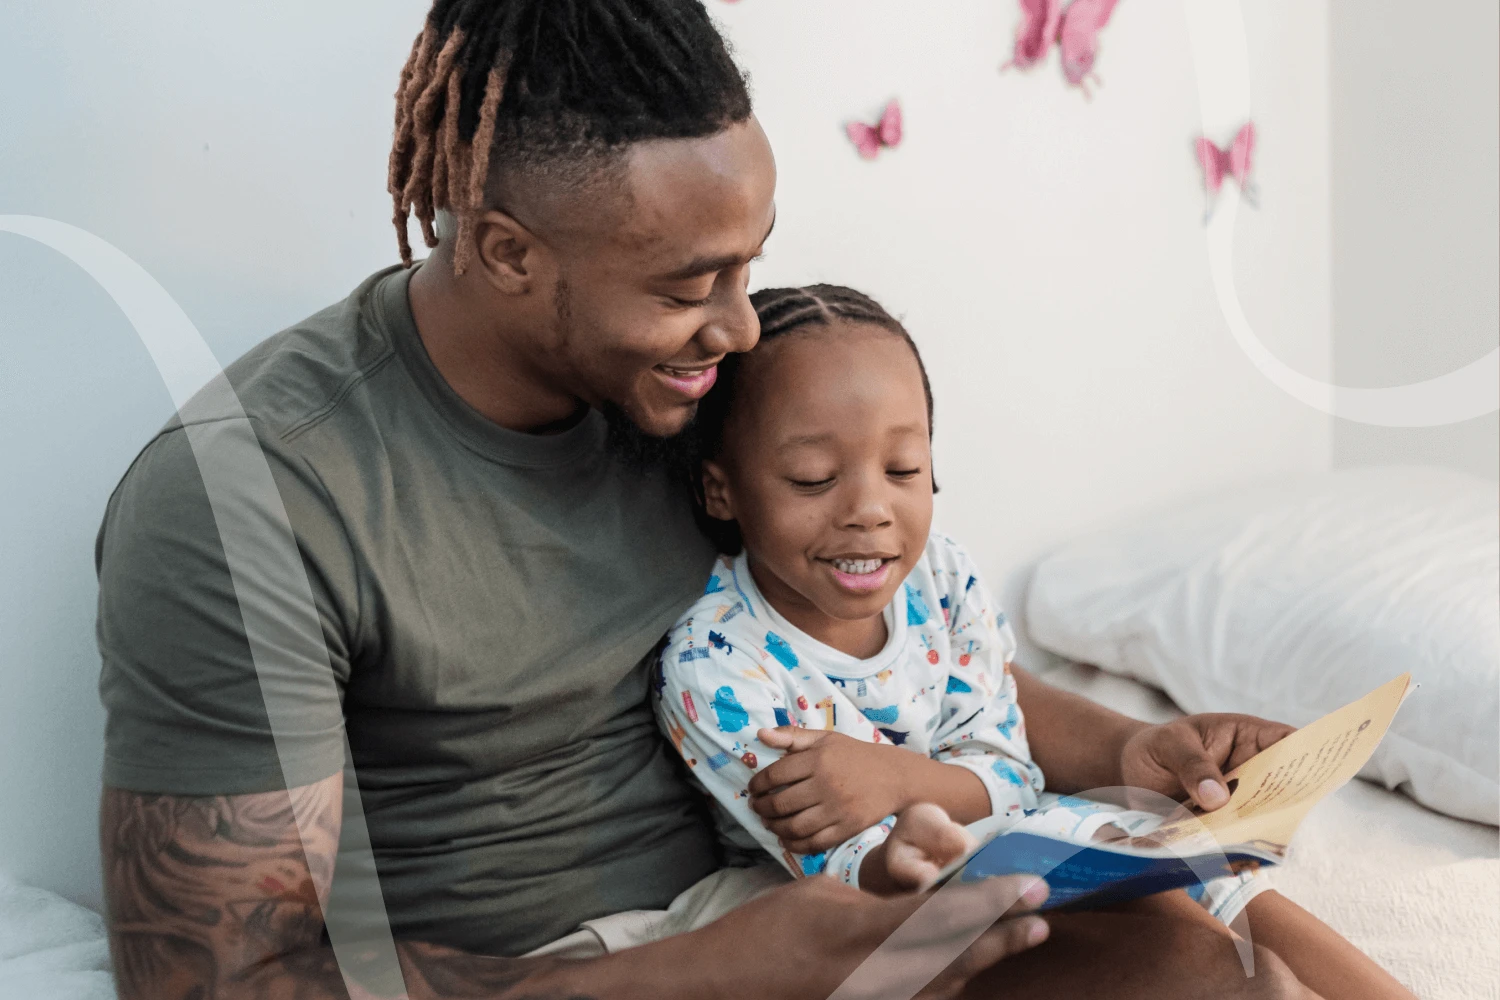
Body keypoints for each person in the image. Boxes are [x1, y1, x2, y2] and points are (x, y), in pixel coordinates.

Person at [94, 2, 1320, 998]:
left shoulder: (693, 394)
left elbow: (892, 649)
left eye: (752, 263)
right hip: (548, 974)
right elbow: (216, 979)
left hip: (794, 904)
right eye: (690, 284)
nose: (738, 326)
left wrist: (1129, 751)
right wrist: (707, 974)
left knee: (1184, 962)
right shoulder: (250, 500)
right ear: (511, 253)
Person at [657, 283, 1419, 1000]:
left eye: (903, 468)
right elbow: (852, 878)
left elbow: (1010, 767)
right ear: (721, 488)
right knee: (1142, 897)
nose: (869, 510)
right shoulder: (717, 665)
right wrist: (932, 808)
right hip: (894, 913)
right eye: (814, 478)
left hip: (1020, 846)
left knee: (1188, 858)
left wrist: (896, 779)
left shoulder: (941, 579)